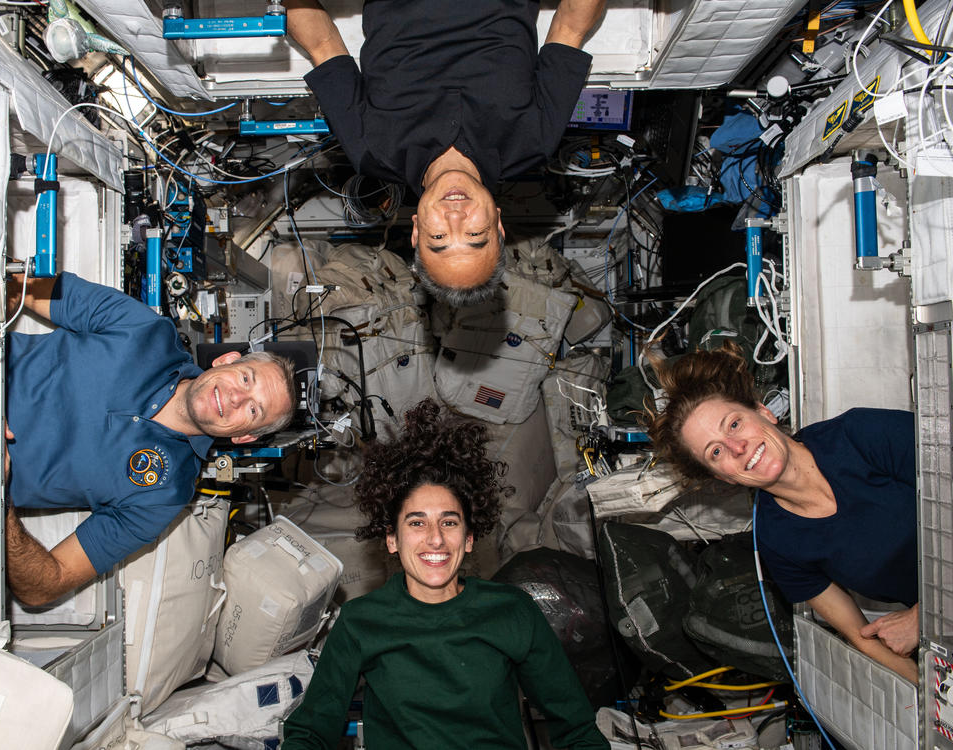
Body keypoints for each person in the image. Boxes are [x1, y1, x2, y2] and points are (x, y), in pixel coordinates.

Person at [280, 398, 607, 749]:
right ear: (392, 539)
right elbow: (310, 732)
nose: (435, 539)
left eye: (449, 522)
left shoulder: (512, 611)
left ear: (468, 539)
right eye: (417, 522)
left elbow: (577, 731)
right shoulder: (361, 622)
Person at [4, 271, 296, 607]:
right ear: (226, 359)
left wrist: (0, 495)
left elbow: (43, 586)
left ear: (244, 437)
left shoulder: (163, 496)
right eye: (246, 378)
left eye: (254, 410)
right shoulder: (144, 329)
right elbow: (22, 282)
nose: (235, 398)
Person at [285, 0, 605, 305]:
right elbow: (569, 27)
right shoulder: (535, 144)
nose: (455, 217)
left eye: (438, 237)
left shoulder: (371, 150)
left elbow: (322, 43)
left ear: (415, 230)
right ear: (498, 225)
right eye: (475, 233)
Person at [643, 343, 918, 683]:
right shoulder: (777, 540)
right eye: (716, 452)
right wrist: (931, 691)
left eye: (734, 425)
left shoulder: (859, 435)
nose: (737, 447)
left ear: (764, 412)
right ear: (721, 477)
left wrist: (924, 617)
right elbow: (863, 637)